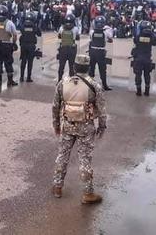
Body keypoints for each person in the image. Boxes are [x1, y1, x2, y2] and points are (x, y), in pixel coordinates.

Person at [52, 54, 108, 204]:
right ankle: (88, 193)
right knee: (84, 159)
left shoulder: (63, 84)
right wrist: (102, 127)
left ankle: (57, 187)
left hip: (68, 125)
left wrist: (56, 125)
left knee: (62, 155)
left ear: (74, 67)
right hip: (86, 128)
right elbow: (102, 110)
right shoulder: (94, 86)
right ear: (89, 68)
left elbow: (55, 107)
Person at [132, 20, 156, 96]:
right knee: (147, 75)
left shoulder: (138, 36)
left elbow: (135, 41)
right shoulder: (151, 36)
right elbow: (154, 43)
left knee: (138, 75)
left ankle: (138, 91)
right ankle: (147, 91)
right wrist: (151, 33)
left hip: (138, 59)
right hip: (147, 59)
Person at [88, 16, 113, 91]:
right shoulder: (106, 32)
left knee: (91, 69)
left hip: (92, 51)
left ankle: (90, 85)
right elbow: (110, 38)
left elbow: (91, 38)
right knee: (102, 69)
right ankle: (104, 85)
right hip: (101, 52)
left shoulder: (92, 32)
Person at [19, 12, 42, 83]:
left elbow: (21, 31)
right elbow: (39, 34)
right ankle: (28, 77)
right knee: (30, 62)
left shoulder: (23, 25)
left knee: (23, 61)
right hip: (31, 46)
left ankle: (21, 77)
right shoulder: (34, 26)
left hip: (23, 45)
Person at [57, 14, 80, 82]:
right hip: (72, 50)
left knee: (61, 66)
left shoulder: (61, 28)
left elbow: (59, 36)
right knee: (72, 66)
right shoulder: (75, 29)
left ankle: (59, 80)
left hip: (63, 49)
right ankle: (71, 82)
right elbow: (78, 38)